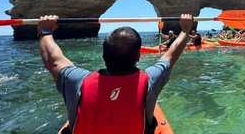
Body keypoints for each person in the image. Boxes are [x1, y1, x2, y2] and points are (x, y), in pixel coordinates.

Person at [37, 13, 193, 134]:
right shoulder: (151, 80)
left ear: (103, 56)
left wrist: (46, 31)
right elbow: (172, 55)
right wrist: (185, 29)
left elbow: (52, 59)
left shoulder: (76, 80)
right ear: (138, 57)